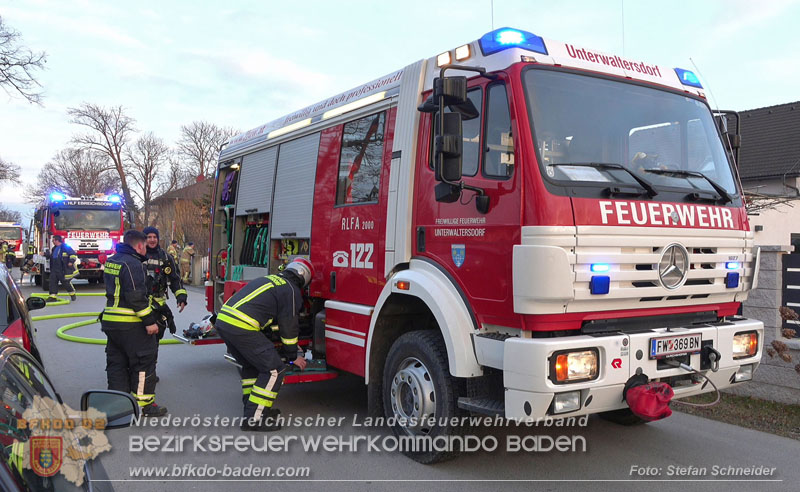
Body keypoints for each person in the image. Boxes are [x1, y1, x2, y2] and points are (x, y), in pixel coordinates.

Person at [214, 258, 313, 432]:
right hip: (241, 326)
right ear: (303, 278)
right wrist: (293, 355)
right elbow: (289, 326)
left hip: (224, 322)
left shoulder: (270, 279)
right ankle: (254, 419)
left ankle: (255, 408)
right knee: (275, 369)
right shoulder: (291, 290)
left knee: (252, 366)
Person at [100, 229, 168, 417]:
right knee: (143, 361)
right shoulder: (133, 264)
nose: (146, 250)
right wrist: (149, 321)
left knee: (117, 362)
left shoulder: (112, 260)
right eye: (145, 246)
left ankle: (118, 404)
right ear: (139, 245)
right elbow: (135, 296)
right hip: (131, 322)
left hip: (111, 321)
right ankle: (144, 405)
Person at [143, 227, 187, 381]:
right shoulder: (137, 256)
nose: (152, 239)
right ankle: (140, 372)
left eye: (154, 236)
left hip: (158, 307)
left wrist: (181, 297)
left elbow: (175, 279)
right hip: (139, 306)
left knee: (154, 341)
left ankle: (150, 372)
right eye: (148, 237)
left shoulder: (165, 258)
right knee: (140, 342)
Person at [47, 235, 78, 302]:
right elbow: (53, 257)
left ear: (57, 240)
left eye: (53, 240)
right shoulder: (54, 248)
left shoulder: (65, 247)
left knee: (65, 282)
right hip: (54, 268)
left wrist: (71, 262)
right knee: (53, 282)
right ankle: (52, 296)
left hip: (62, 268)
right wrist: (45, 254)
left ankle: (72, 294)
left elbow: (73, 254)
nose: (52, 241)